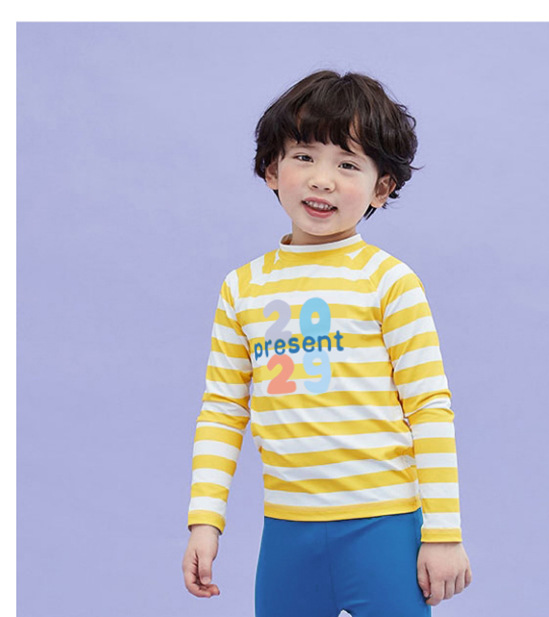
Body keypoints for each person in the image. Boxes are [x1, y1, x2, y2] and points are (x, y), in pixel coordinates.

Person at [182, 70, 472, 617]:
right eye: (304, 157)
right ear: (272, 169)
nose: (322, 180)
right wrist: (204, 520)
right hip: (287, 531)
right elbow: (222, 410)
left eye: (347, 164)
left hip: (383, 527)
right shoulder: (243, 288)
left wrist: (443, 532)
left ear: (382, 188)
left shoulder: (390, 281)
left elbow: (429, 407)